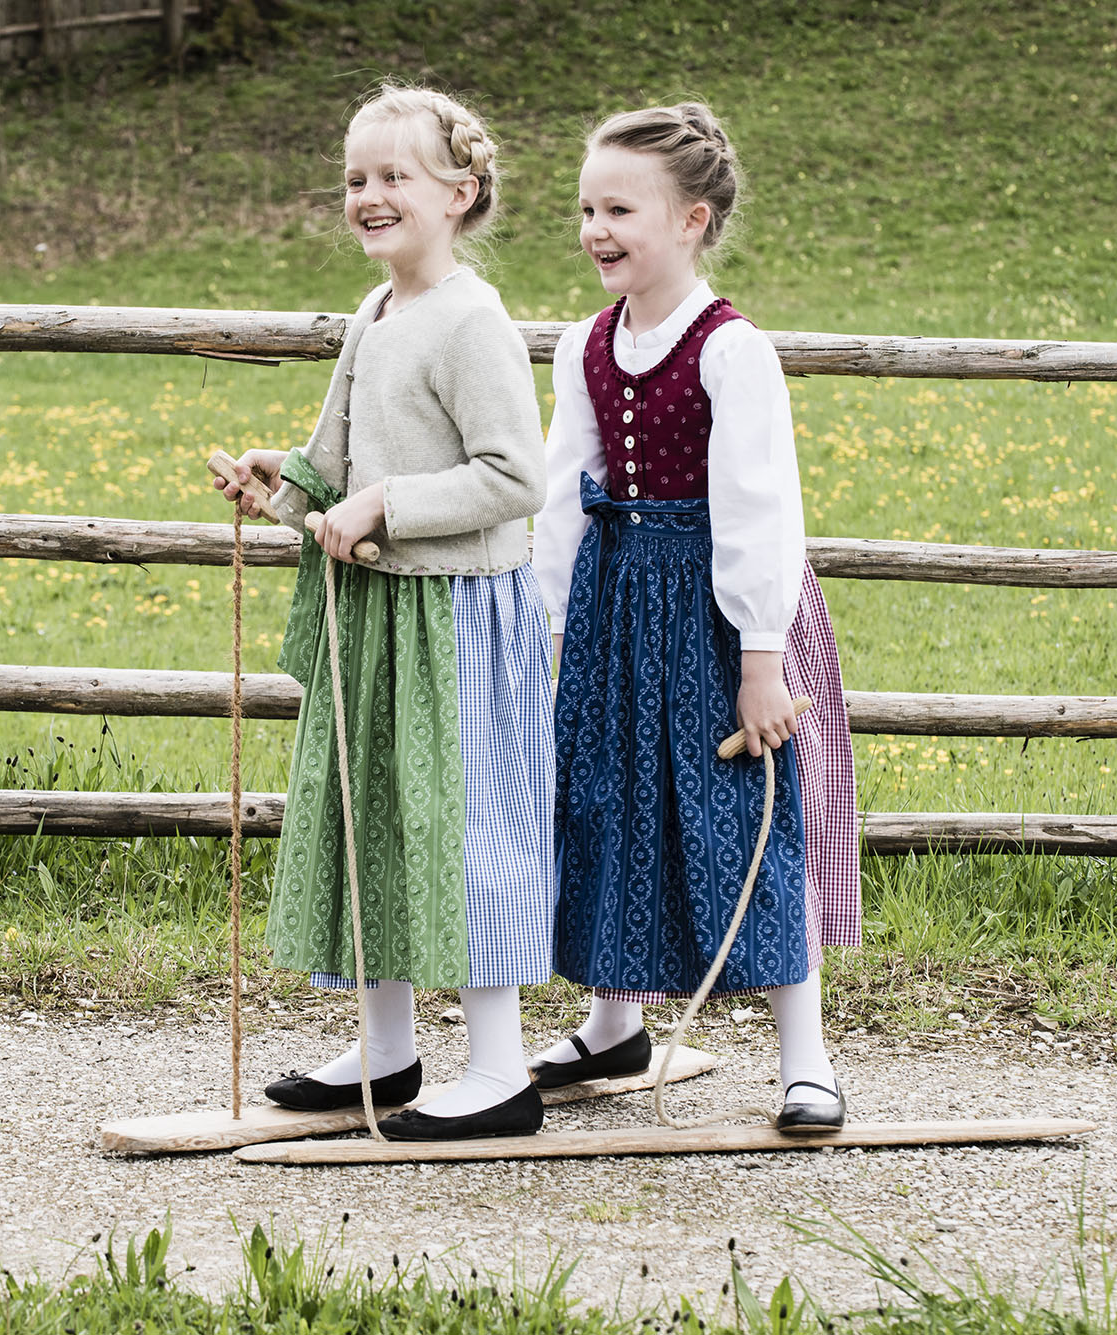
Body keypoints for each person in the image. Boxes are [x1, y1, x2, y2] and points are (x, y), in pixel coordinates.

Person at [212, 85, 553, 1142]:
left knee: (465, 827)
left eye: (394, 176)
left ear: (460, 193)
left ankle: (499, 1071)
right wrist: (286, 483)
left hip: (455, 619)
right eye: (356, 178)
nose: (368, 195)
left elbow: (516, 476)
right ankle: (389, 1048)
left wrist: (384, 506)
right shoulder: (376, 312)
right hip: (376, 609)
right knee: (373, 819)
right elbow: (340, 461)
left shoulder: (472, 320)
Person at [529, 101, 861, 1129]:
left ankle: (804, 1057)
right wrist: (556, 629)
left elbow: (760, 510)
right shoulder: (586, 344)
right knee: (608, 803)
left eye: (619, 209)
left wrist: (761, 662)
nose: (595, 229)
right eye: (587, 208)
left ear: (692, 221)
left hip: (722, 617)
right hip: (617, 608)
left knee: (743, 818)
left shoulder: (730, 350)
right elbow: (564, 490)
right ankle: (612, 1023)